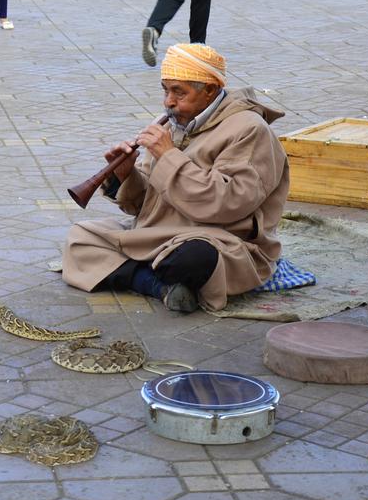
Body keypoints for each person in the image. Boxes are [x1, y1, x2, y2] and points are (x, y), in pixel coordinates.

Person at [62, 44, 290, 313]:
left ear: (210, 90)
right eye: (166, 90)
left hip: (216, 236)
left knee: (193, 259)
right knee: (80, 238)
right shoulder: (174, 122)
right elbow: (145, 205)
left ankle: (142, 272)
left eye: (179, 92)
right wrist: (125, 175)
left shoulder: (249, 130)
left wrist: (168, 155)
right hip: (158, 233)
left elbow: (227, 202)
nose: (168, 102)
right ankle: (159, 286)